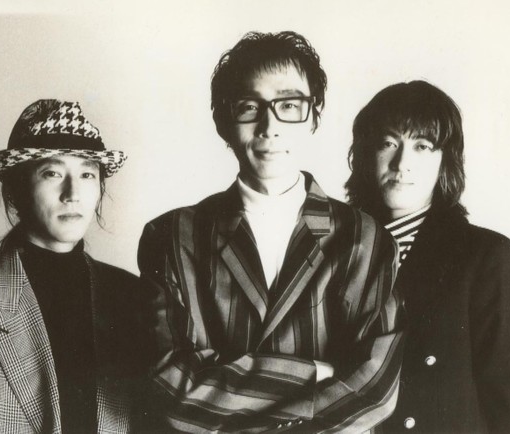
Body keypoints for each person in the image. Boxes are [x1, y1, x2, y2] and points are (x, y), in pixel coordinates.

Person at [138, 31, 405, 433]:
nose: (269, 126)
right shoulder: (173, 235)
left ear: (314, 116)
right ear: (223, 122)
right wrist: (316, 373)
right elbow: (173, 388)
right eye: (249, 106)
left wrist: (234, 391)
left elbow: (375, 389)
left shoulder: (365, 238)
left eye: (289, 105)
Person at [0, 99, 153, 433]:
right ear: (16, 190)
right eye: (52, 173)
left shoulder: (131, 297)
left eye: (87, 174)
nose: (72, 193)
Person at [345, 80, 510, 433]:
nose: (402, 163)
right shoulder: (337, 252)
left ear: (445, 161)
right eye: (389, 143)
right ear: (366, 154)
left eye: (422, 146)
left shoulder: (487, 258)